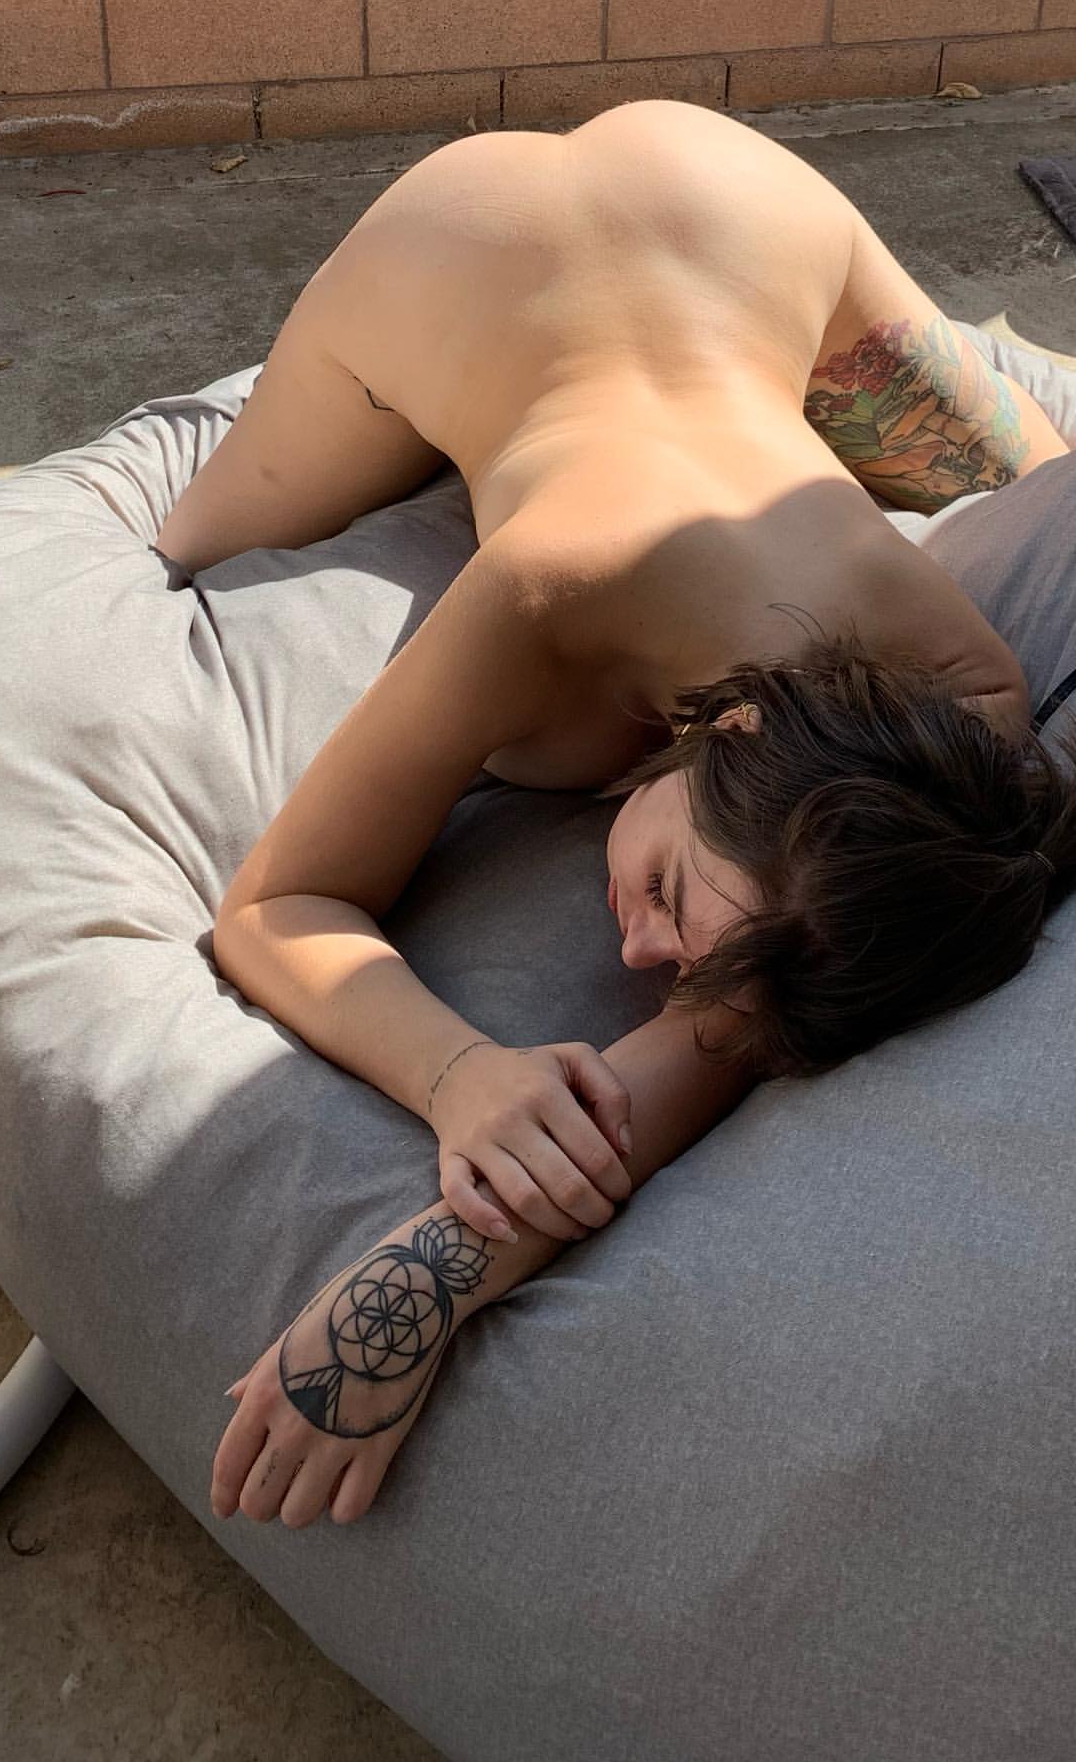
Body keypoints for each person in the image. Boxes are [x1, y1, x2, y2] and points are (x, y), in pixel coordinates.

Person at [156, 99, 1076, 1527]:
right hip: (466, 242)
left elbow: (745, 1013)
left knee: (1039, 469)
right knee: (200, 537)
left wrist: (448, 1259)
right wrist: (458, 1076)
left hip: (746, 221)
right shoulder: (548, 582)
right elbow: (276, 906)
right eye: (667, 899)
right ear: (735, 730)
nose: (641, 959)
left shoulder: (968, 697)